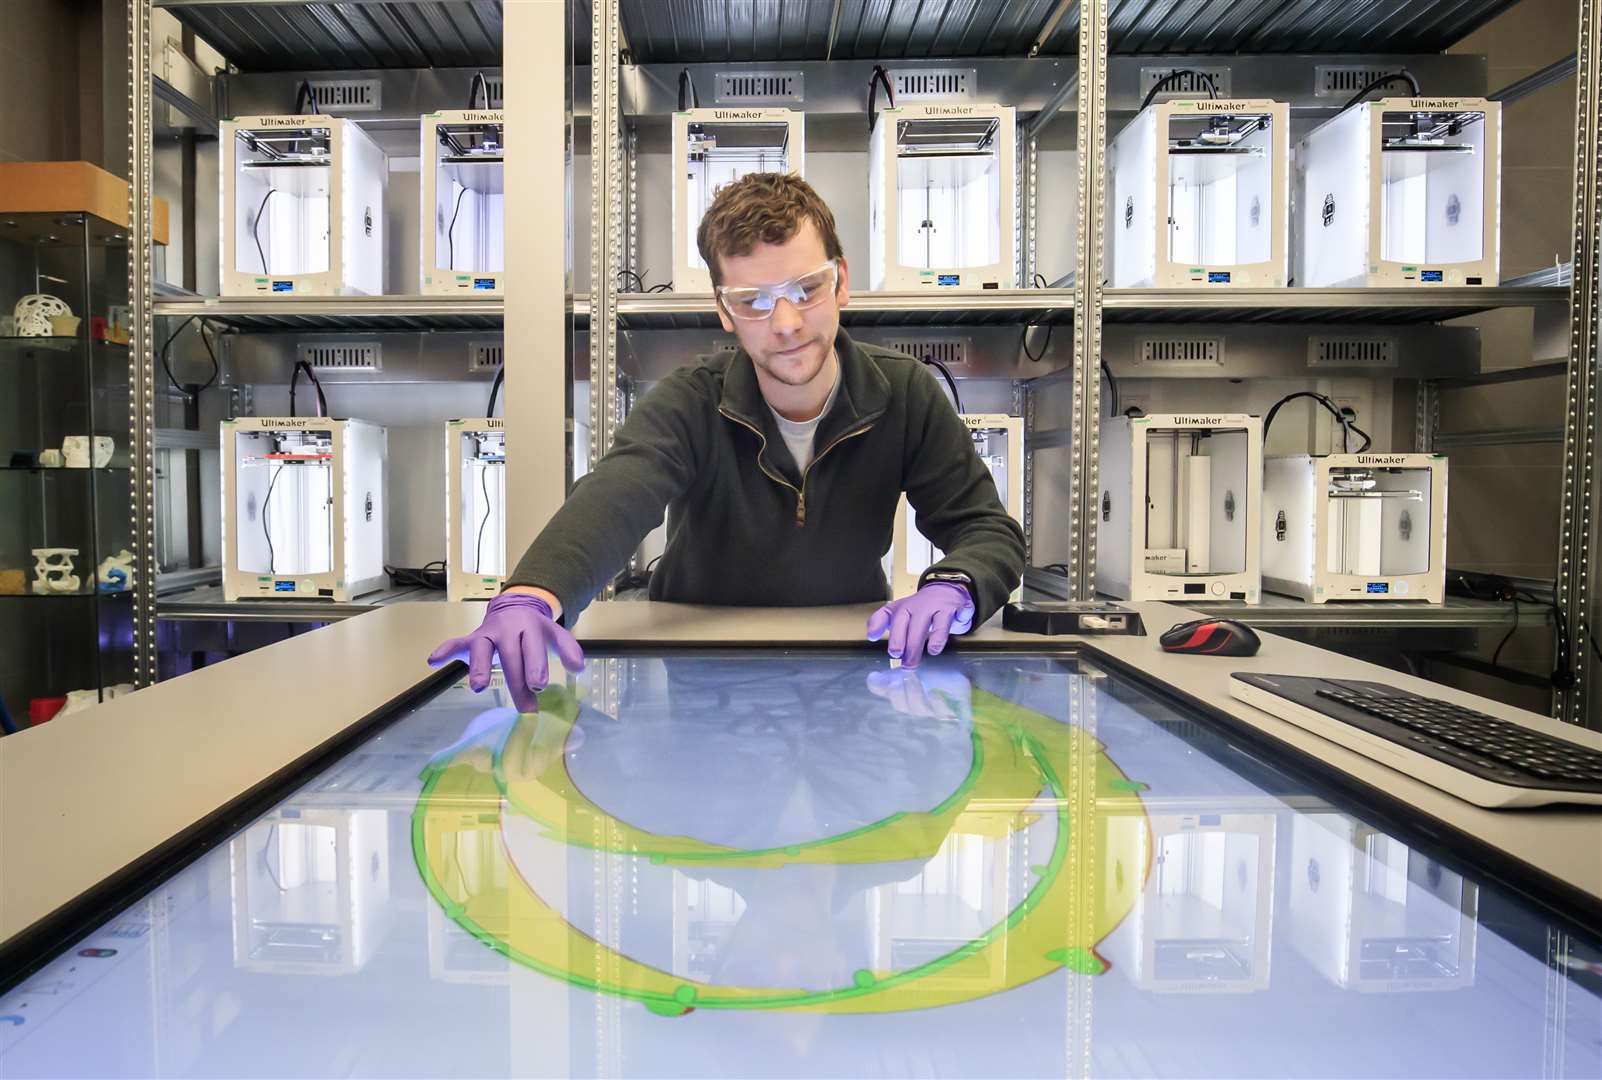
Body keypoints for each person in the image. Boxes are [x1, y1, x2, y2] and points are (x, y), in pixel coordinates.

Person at [429, 172, 1025, 711]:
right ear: (723, 311)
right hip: (695, 659)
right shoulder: (692, 398)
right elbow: (617, 494)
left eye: (806, 289)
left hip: (852, 656)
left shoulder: (905, 393)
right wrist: (532, 594)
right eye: (754, 301)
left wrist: (956, 584)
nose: (786, 322)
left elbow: (985, 528)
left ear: (842, 281)